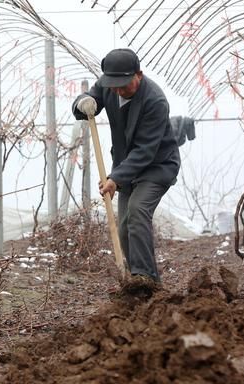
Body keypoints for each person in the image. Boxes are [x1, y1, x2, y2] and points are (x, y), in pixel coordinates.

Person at [72, 48, 180, 292]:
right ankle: (133, 281)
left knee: (137, 210)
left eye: (124, 85)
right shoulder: (108, 85)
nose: (119, 91)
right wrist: (84, 103)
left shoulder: (155, 101)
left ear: (138, 75)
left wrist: (115, 178)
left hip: (156, 166)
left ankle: (147, 279)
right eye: (114, 86)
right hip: (124, 166)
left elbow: (145, 151)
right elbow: (91, 99)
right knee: (123, 225)